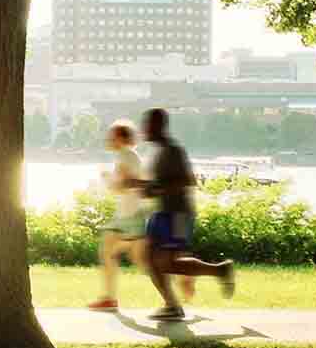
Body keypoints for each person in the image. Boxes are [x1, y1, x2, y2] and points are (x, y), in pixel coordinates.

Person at [138, 108, 235, 321]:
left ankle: (173, 305)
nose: (143, 128)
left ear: (158, 126)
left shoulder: (173, 150)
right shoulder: (158, 151)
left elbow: (187, 180)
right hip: (165, 212)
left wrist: (156, 188)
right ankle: (219, 272)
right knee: (157, 261)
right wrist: (144, 187)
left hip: (176, 214)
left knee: (158, 261)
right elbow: (160, 183)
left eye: (148, 124)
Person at [88, 120, 151, 311]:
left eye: (112, 136)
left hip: (130, 216)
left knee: (140, 261)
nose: (108, 139)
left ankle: (180, 278)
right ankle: (109, 298)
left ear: (122, 138)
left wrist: (106, 177)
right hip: (126, 215)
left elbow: (121, 188)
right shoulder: (129, 156)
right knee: (109, 252)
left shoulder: (126, 157)